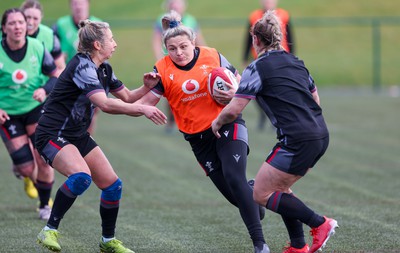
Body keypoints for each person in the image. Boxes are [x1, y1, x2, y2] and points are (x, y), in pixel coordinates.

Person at [139, 11, 269, 253]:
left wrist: (234, 94)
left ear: (194, 42)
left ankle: (260, 245)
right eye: (172, 48)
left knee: (235, 178)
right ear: (166, 48)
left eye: (183, 46)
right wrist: (140, 108)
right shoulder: (162, 68)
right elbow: (146, 102)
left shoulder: (212, 56)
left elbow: (241, 83)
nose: (178, 52)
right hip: (198, 140)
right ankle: (254, 194)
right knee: (237, 197)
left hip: (228, 124)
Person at [35, 19, 167, 253]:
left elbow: (127, 97)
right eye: (111, 39)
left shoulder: (104, 68)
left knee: (112, 185)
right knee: (80, 177)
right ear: (97, 44)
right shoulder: (83, 66)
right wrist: (144, 109)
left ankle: (107, 241)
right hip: (52, 133)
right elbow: (105, 104)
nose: (115, 44)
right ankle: (49, 230)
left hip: (76, 134)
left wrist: (147, 87)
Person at [212, 12, 338, 253]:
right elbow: (315, 98)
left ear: (256, 40)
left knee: (260, 193)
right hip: (320, 134)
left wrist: (217, 122)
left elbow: (234, 110)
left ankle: (320, 223)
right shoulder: (296, 62)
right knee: (279, 187)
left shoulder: (257, 67)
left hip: (297, 140)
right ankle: (298, 246)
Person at [0, 8, 61, 219]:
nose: (17, 27)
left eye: (21, 22)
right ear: (4, 27)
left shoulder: (37, 47)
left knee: (44, 159)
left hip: (35, 109)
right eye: (12, 23)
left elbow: (55, 75)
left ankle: (45, 205)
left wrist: (44, 90)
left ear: (26, 27)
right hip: (8, 114)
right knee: (26, 168)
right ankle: (22, 170)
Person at [152, 0, 206, 133]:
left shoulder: (191, 21)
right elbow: (156, 42)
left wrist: (204, 56)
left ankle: (195, 119)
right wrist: (161, 60)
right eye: (173, 4)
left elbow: (199, 41)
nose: (176, 6)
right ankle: (171, 121)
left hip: (190, 62)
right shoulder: (162, 20)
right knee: (171, 92)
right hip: (172, 63)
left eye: (178, 3)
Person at [243, 0, 294, 131]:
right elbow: (248, 38)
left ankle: (279, 116)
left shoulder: (284, 15)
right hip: (260, 58)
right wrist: (245, 58)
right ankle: (264, 113)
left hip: (281, 58)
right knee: (259, 90)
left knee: (281, 89)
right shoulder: (254, 16)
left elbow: (291, 38)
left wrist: (292, 58)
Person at [53, 0, 102, 134]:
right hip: (69, 77)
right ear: (70, 6)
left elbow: (103, 54)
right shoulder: (61, 25)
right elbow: (56, 53)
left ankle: (87, 140)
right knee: (68, 113)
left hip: (92, 76)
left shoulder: (98, 25)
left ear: (88, 5)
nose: (79, 6)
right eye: (75, 3)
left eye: (82, 3)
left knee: (92, 111)